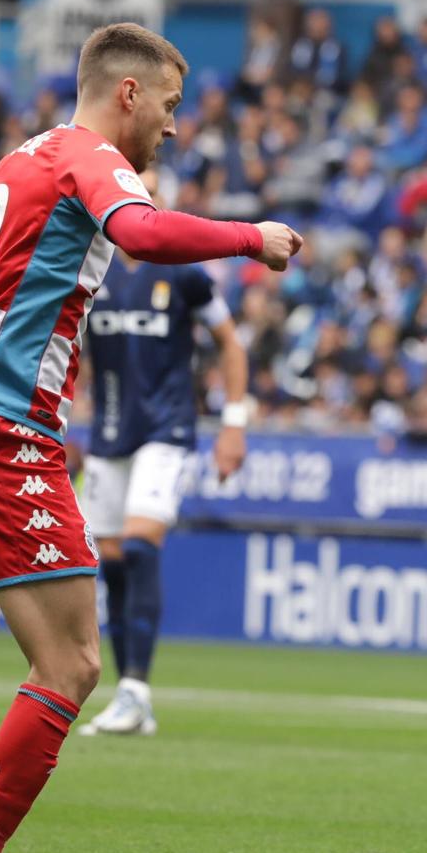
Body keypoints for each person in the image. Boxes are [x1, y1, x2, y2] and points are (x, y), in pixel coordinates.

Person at [0, 22, 302, 853]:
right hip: (4, 435)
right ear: (126, 94)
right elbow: (143, 232)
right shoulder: (86, 156)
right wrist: (250, 237)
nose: (175, 127)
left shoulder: (10, 164)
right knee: (71, 663)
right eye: (170, 105)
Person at [77, 167, 252, 738]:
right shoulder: (89, 271)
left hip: (167, 431)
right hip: (108, 435)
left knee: (140, 543)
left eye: (152, 195)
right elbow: (69, 359)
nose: (142, 201)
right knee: (113, 559)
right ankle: (132, 697)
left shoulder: (186, 276)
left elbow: (231, 345)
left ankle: (135, 689)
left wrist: (233, 425)